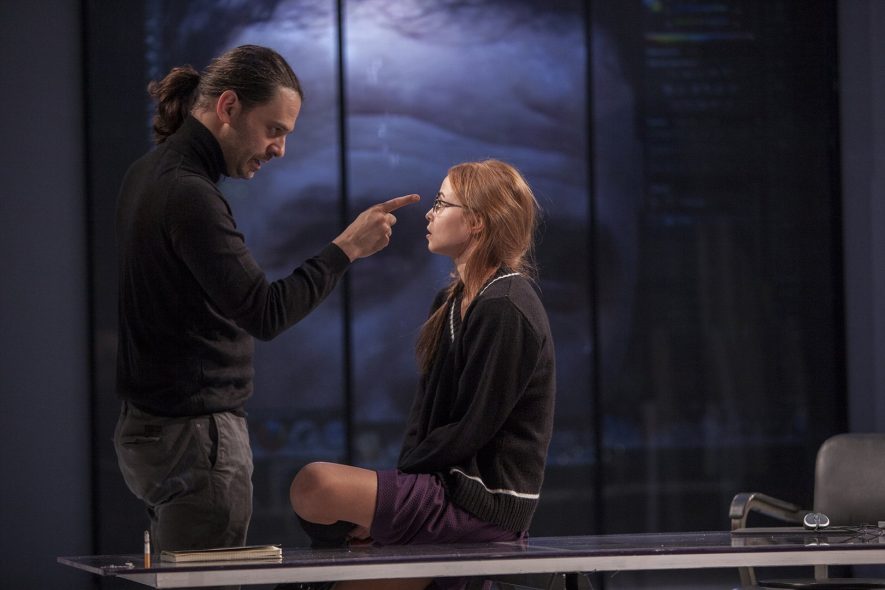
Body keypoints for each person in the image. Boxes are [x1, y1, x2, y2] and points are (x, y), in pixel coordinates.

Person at [113, 44, 419, 555]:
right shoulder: (189, 193)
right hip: (195, 439)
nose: (279, 149)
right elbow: (265, 312)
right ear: (229, 106)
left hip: (155, 433)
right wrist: (346, 249)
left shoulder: (146, 174)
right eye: (274, 129)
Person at [287, 159, 556, 590]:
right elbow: (426, 415)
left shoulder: (505, 306)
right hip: (443, 487)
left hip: (482, 501)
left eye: (441, 203)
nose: (429, 214)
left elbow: (473, 425)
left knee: (314, 484)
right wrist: (394, 494)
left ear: (477, 221)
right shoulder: (450, 302)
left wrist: (395, 493)